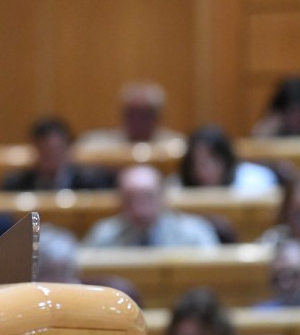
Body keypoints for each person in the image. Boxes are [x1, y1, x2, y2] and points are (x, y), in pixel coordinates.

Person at [81, 164, 220, 248]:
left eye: (147, 198)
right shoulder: (103, 237)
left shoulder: (195, 235)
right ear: (120, 203)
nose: (138, 209)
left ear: (162, 198)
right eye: (130, 200)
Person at [0, 116, 115, 192]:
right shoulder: (17, 184)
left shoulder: (90, 184)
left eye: (55, 150)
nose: (50, 157)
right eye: (44, 151)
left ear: (68, 149)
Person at [75, 81, 185, 151]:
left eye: (143, 115)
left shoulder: (176, 146)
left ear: (157, 117)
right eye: (132, 114)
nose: (137, 121)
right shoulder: (96, 145)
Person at [172, 124, 278, 195]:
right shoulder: (177, 187)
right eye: (195, 163)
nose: (200, 171)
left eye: (207, 162)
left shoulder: (254, 181)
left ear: (225, 160)